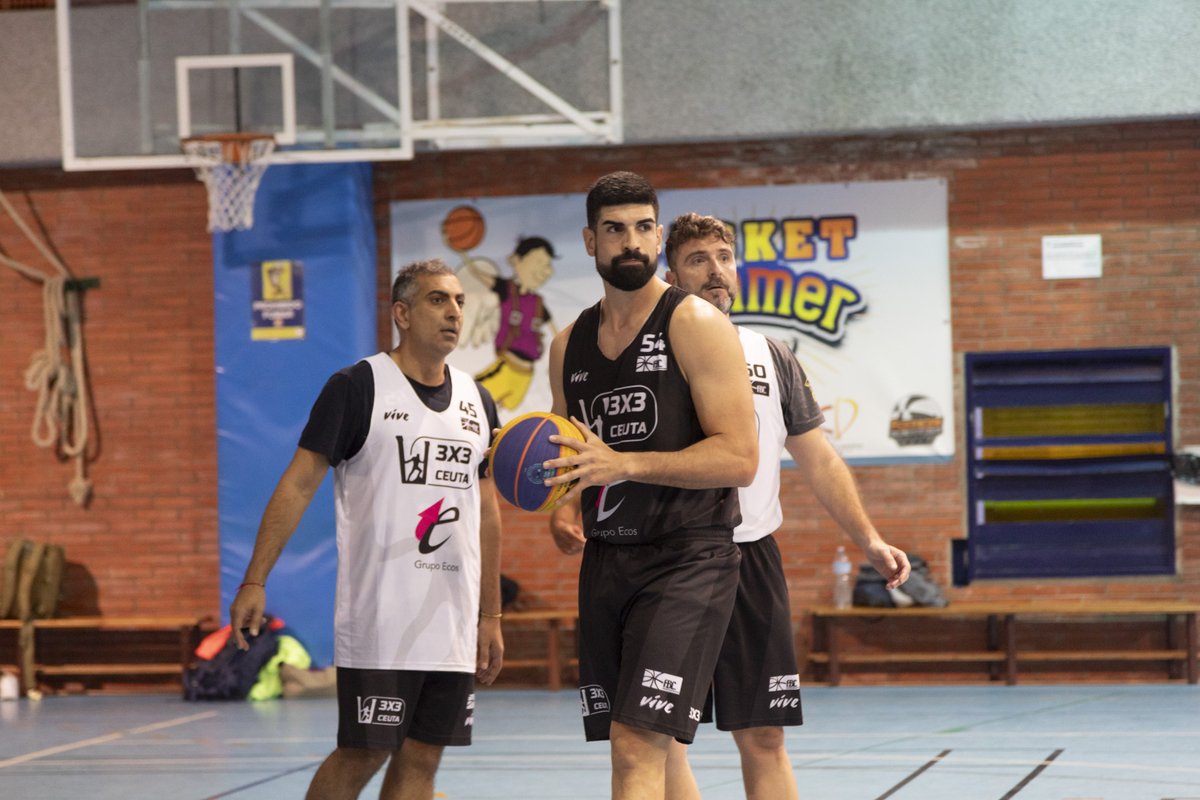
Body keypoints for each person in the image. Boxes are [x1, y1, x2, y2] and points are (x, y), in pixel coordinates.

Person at [229, 259, 505, 800]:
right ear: (402, 313)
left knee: (423, 759)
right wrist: (255, 579)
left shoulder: (478, 400)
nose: (453, 312)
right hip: (381, 621)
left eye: (458, 301)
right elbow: (298, 485)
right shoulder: (358, 386)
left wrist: (489, 615)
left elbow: (487, 511)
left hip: (449, 621)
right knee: (364, 752)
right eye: (437, 300)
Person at [660, 212, 910, 800]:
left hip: (751, 559)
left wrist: (869, 539)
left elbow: (818, 459)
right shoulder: (652, 351)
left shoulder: (770, 353)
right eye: (697, 260)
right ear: (671, 277)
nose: (715, 270)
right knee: (659, 739)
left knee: (766, 734)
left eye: (723, 257)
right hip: (670, 559)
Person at [544, 171, 759, 800]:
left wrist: (628, 464)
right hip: (608, 561)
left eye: (643, 228)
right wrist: (557, 501)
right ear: (591, 241)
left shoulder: (695, 323)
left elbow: (740, 456)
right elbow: (570, 450)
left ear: (659, 236)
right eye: (615, 230)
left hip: (688, 556)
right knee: (655, 756)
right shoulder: (567, 345)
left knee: (636, 744)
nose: (631, 242)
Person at [471, 236, 559, 410]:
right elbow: (477, 273)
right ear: (516, 260)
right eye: (538, 262)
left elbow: (557, 334)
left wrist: (560, 362)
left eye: (547, 264)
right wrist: (461, 251)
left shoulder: (538, 303)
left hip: (526, 374)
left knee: (503, 415)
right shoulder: (506, 289)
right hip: (506, 366)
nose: (544, 270)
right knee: (473, 399)